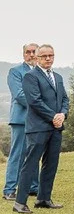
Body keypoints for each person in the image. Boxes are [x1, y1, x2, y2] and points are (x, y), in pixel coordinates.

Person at [13, 44, 69, 214]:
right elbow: (34, 102)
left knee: (51, 164)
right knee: (30, 164)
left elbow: (65, 99)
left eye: (51, 55)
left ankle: (43, 199)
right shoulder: (31, 76)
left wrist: (63, 115)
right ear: (37, 58)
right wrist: (53, 117)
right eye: (44, 56)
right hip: (38, 128)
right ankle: (20, 203)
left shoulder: (58, 77)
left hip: (56, 128)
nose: (48, 58)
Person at [4, 43, 39, 202]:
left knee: (34, 153)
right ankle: (10, 189)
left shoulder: (42, 73)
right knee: (17, 154)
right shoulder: (16, 72)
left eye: (34, 52)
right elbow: (19, 94)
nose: (31, 55)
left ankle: (33, 187)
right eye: (28, 52)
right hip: (21, 119)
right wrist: (41, 108)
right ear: (23, 54)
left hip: (38, 120)